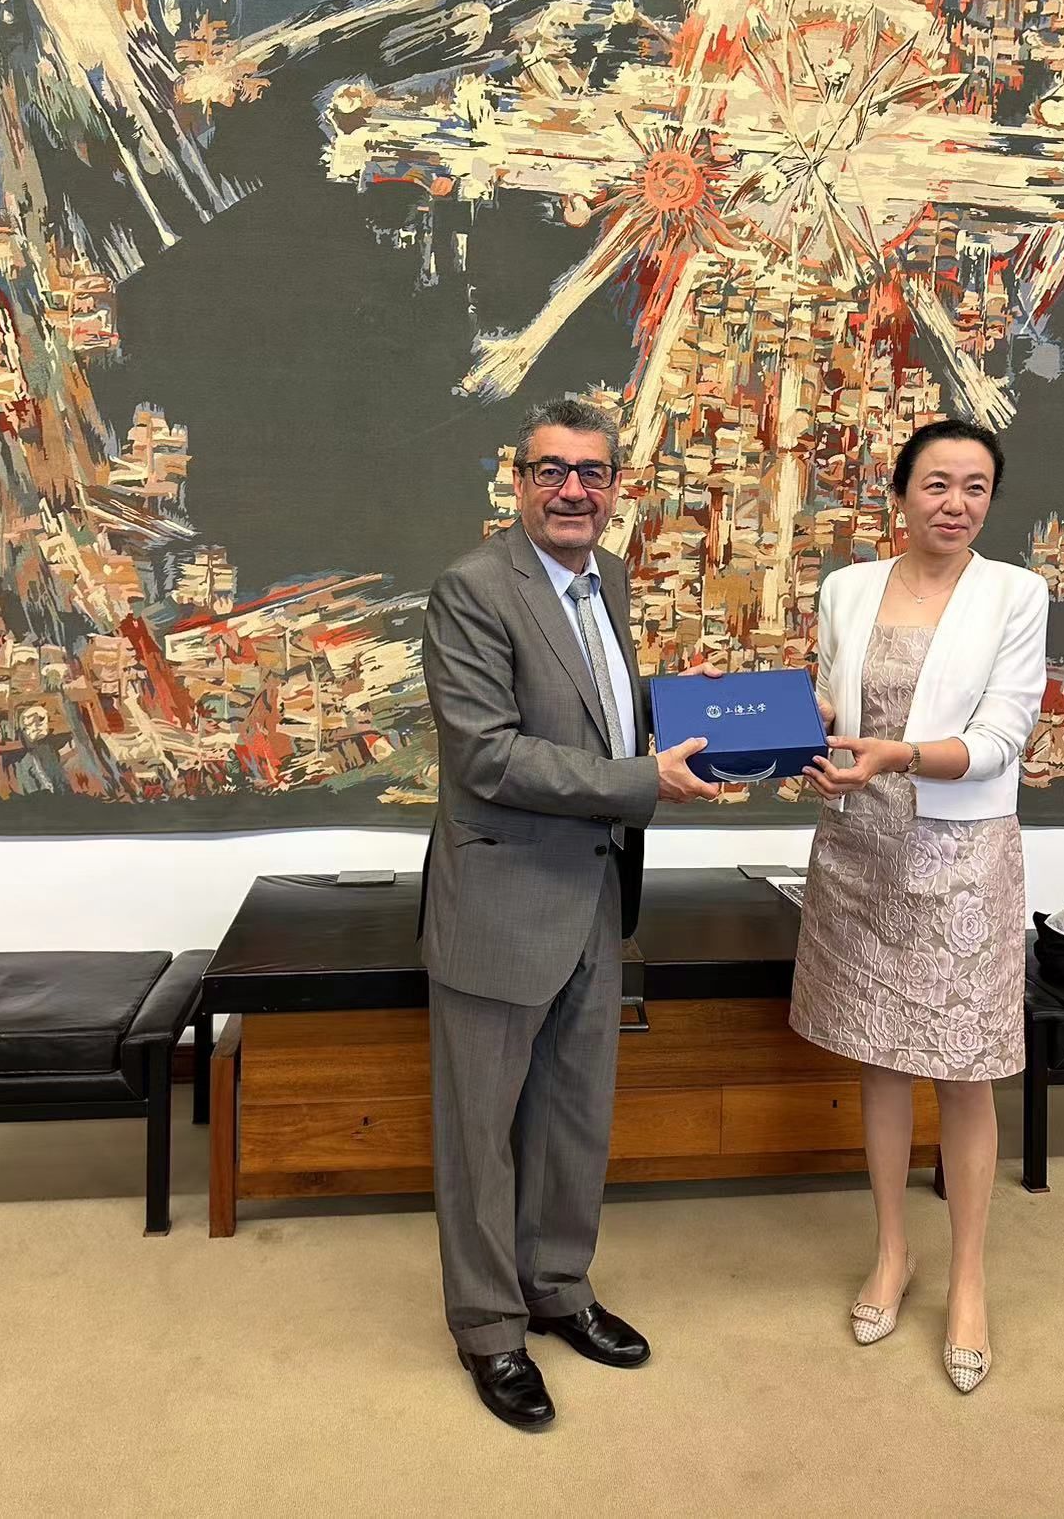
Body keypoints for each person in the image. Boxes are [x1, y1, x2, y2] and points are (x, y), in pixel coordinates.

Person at [420, 395, 719, 1429]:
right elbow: (488, 754)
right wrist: (643, 779)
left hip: (593, 892)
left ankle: (557, 1287)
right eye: (551, 470)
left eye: (591, 472)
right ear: (518, 482)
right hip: (500, 899)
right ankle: (488, 1327)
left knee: (572, 1116)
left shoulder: (609, 577)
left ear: (615, 486)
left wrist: (705, 716)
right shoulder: (473, 588)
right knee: (481, 1133)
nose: (572, 490)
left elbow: (598, 711)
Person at [790, 418, 1049, 1394]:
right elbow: (832, 701)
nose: (955, 503)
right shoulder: (846, 588)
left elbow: (1001, 736)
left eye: (975, 487)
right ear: (899, 493)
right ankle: (892, 1251)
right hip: (860, 848)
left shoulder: (1015, 593)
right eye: (936, 483)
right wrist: (802, 731)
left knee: (965, 1070)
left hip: (959, 858)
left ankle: (969, 1278)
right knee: (882, 1057)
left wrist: (895, 755)